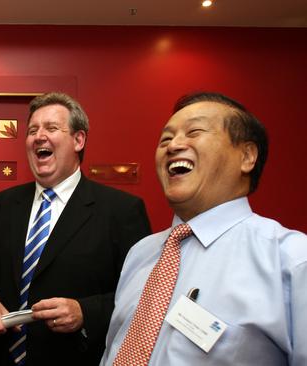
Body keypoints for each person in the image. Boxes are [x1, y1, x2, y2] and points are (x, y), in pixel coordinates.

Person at [101, 92, 307, 365]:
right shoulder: (141, 253)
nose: (173, 145)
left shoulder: (292, 260)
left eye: (194, 131)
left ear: (247, 156)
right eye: (165, 138)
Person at [0, 92, 152, 365]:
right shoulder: (2, 204)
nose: (39, 136)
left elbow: (142, 293)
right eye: (32, 130)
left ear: (78, 140)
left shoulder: (121, 211)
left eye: (51, 128)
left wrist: (85, 311)